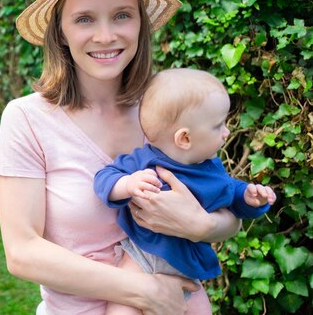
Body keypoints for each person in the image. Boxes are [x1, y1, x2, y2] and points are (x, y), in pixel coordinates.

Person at [0, 0, 242, 315]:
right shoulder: (27, 118)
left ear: (141, 23)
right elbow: (22, 251)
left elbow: (224, 205)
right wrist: (144, 291)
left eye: (122, 15)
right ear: (60, 31)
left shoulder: (167, 109)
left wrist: (201, 226)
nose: (106, 35)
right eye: (84, 18)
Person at [93, 68, 276, 315]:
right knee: (121, 310)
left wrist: (250, 198)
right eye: (218, 126)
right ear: (185, 139)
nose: (227, 132)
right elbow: (104, 178)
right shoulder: (143, 162)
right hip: (140, 258)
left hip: (186, 271)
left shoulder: (212, 171)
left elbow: (232, 195)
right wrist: (127, 184)